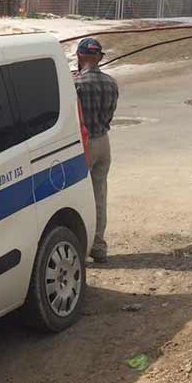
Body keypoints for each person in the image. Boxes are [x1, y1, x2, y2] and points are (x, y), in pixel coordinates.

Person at [74, 37, 119, 263]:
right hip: (103, 141)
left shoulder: (76, 85)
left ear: (80, 56)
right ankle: (98, 245)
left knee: (78, 196)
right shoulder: (111, 83)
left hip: (85, 144)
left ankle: (81, 246)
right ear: (99, 58)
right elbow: (110, 116)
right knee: (99, 193)